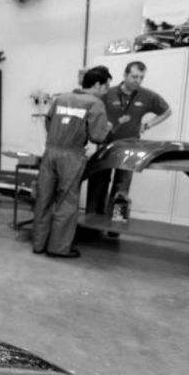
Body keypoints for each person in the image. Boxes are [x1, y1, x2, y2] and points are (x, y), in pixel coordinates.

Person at [32, 67, 113, 258]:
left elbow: (48, 123)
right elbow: (97, 136)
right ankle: (58, 248)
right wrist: (107, 128)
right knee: (66, 202)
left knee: (43, 199)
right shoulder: (95, 104)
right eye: (106, 87)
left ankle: (39, 244)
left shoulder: (61, 99)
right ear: (97, 84)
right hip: (71, 156)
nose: (106, 91)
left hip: (50, 152)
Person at [86, 61, 172, 216]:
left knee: (122, 187)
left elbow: (167, 111)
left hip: (130, 148)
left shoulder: (148, 96)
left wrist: (147, 125)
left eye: (141, 77)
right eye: (134, 77)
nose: (138, 81)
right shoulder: (108, 93)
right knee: (99, 182)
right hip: (106, 144)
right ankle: (92, 220)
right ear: (125, 75)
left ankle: (117, 222)